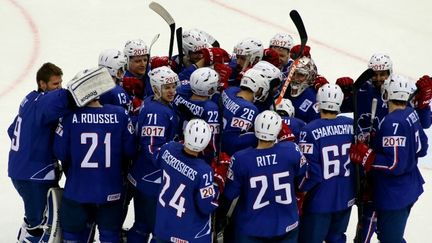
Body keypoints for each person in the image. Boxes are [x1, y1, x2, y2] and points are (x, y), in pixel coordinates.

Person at [53, 67, 136, 242]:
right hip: (111, 190)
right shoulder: (120, 114)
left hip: (77, 190)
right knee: (110, 235)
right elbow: (130, 150)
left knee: (74, 237)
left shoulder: (69, 117)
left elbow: (59, 152)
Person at [350, 74, 428, 243]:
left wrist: (368, 157)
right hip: (410, 186)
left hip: (394, 194)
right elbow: (423, 148)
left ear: (387, 94)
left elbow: (394, 164)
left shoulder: (392, 122)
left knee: (390, 239)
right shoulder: (410, 113)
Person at [7, 62, 73, 242]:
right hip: (34, 175)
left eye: (60, 83)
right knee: (39, 226)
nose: (59, 87)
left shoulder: (29, 100)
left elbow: (12, 129)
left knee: (35, 218)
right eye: (55, 84)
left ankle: (26, 233)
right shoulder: (44, 103)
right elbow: (67, 98)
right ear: (42, 84)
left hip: (20, 171)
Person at [223, 110, 307, 243]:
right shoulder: (292, 150)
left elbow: (229, 194)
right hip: (287, 223)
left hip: (252, 227)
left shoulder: (240, 159)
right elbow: (303, 180)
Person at [127, 66, 180, 242]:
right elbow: (153, 150)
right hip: (150, 178)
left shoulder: (154, 102)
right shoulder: (156, 113)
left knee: (142, 225)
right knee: (155, 228)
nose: (172, 91)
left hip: (143, 175)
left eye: (173, 86)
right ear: (157, 88)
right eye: (167, 87)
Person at [297, 84, 355, 243]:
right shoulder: (351, 125)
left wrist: (300, 191)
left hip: (319, 199)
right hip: (346, 195)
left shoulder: (309, 130)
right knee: (336, 239)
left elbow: (311, 174)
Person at [154, 119, 220, 243]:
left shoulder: (168, 148)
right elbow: (207, 206)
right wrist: (217, 183)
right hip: (189, 234)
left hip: (163, 228)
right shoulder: (204, 171)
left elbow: (158, 159)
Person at [220, 68, 269, 156]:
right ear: (257, 88)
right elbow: (232, 142)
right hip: (226, 151)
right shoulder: (249, 109)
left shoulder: (230, 91)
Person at [283, 56, 320, 123]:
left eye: (301, 74)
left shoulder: (314, 100)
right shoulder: (281, 89)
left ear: (310, 77)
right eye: (293, 73)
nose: (295, 78)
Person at [122, 39, 151, 112]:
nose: (143, 64)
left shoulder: (151, 71)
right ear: (127, 60)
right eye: (138, 61)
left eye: (145, 60)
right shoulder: (121, 80)